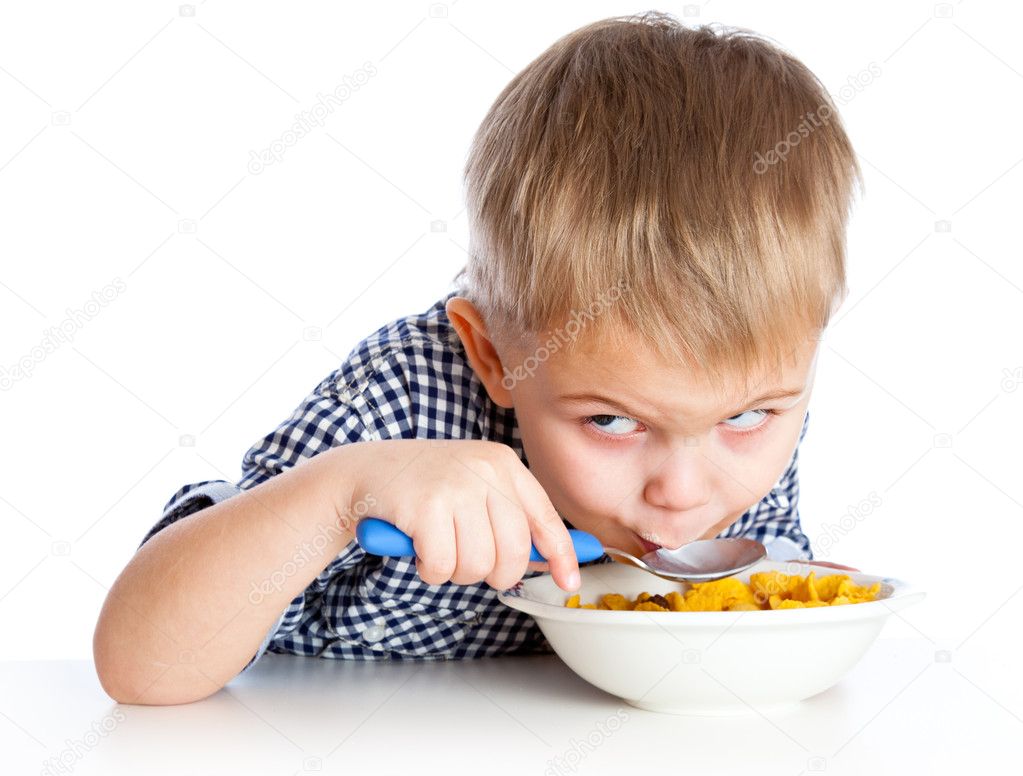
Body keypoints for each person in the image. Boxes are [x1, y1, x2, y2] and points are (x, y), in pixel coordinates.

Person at [94, 11, 862, 705]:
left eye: (749, 415)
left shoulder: (724, 456)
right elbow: (140, 669)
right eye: (612, 421)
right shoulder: (400, 402)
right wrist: (341, 496)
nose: (684, 496)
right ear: (494, 355)